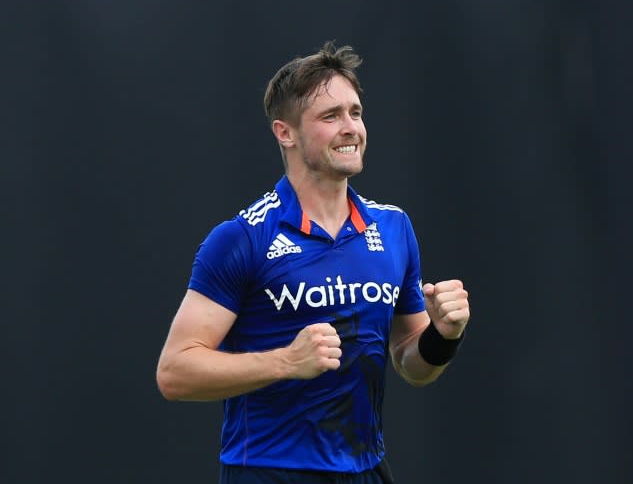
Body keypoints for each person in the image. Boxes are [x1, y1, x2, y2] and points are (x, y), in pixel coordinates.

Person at [156, 41, 471, 484]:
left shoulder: (394, 227)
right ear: (285, 133)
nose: (350, 128)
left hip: (366, 470)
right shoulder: (242, 239)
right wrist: (286, 361)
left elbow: (412, 365)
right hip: (270, 473)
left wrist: (444, 335)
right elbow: (175, 372)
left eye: (355, 113)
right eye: (330, 117)